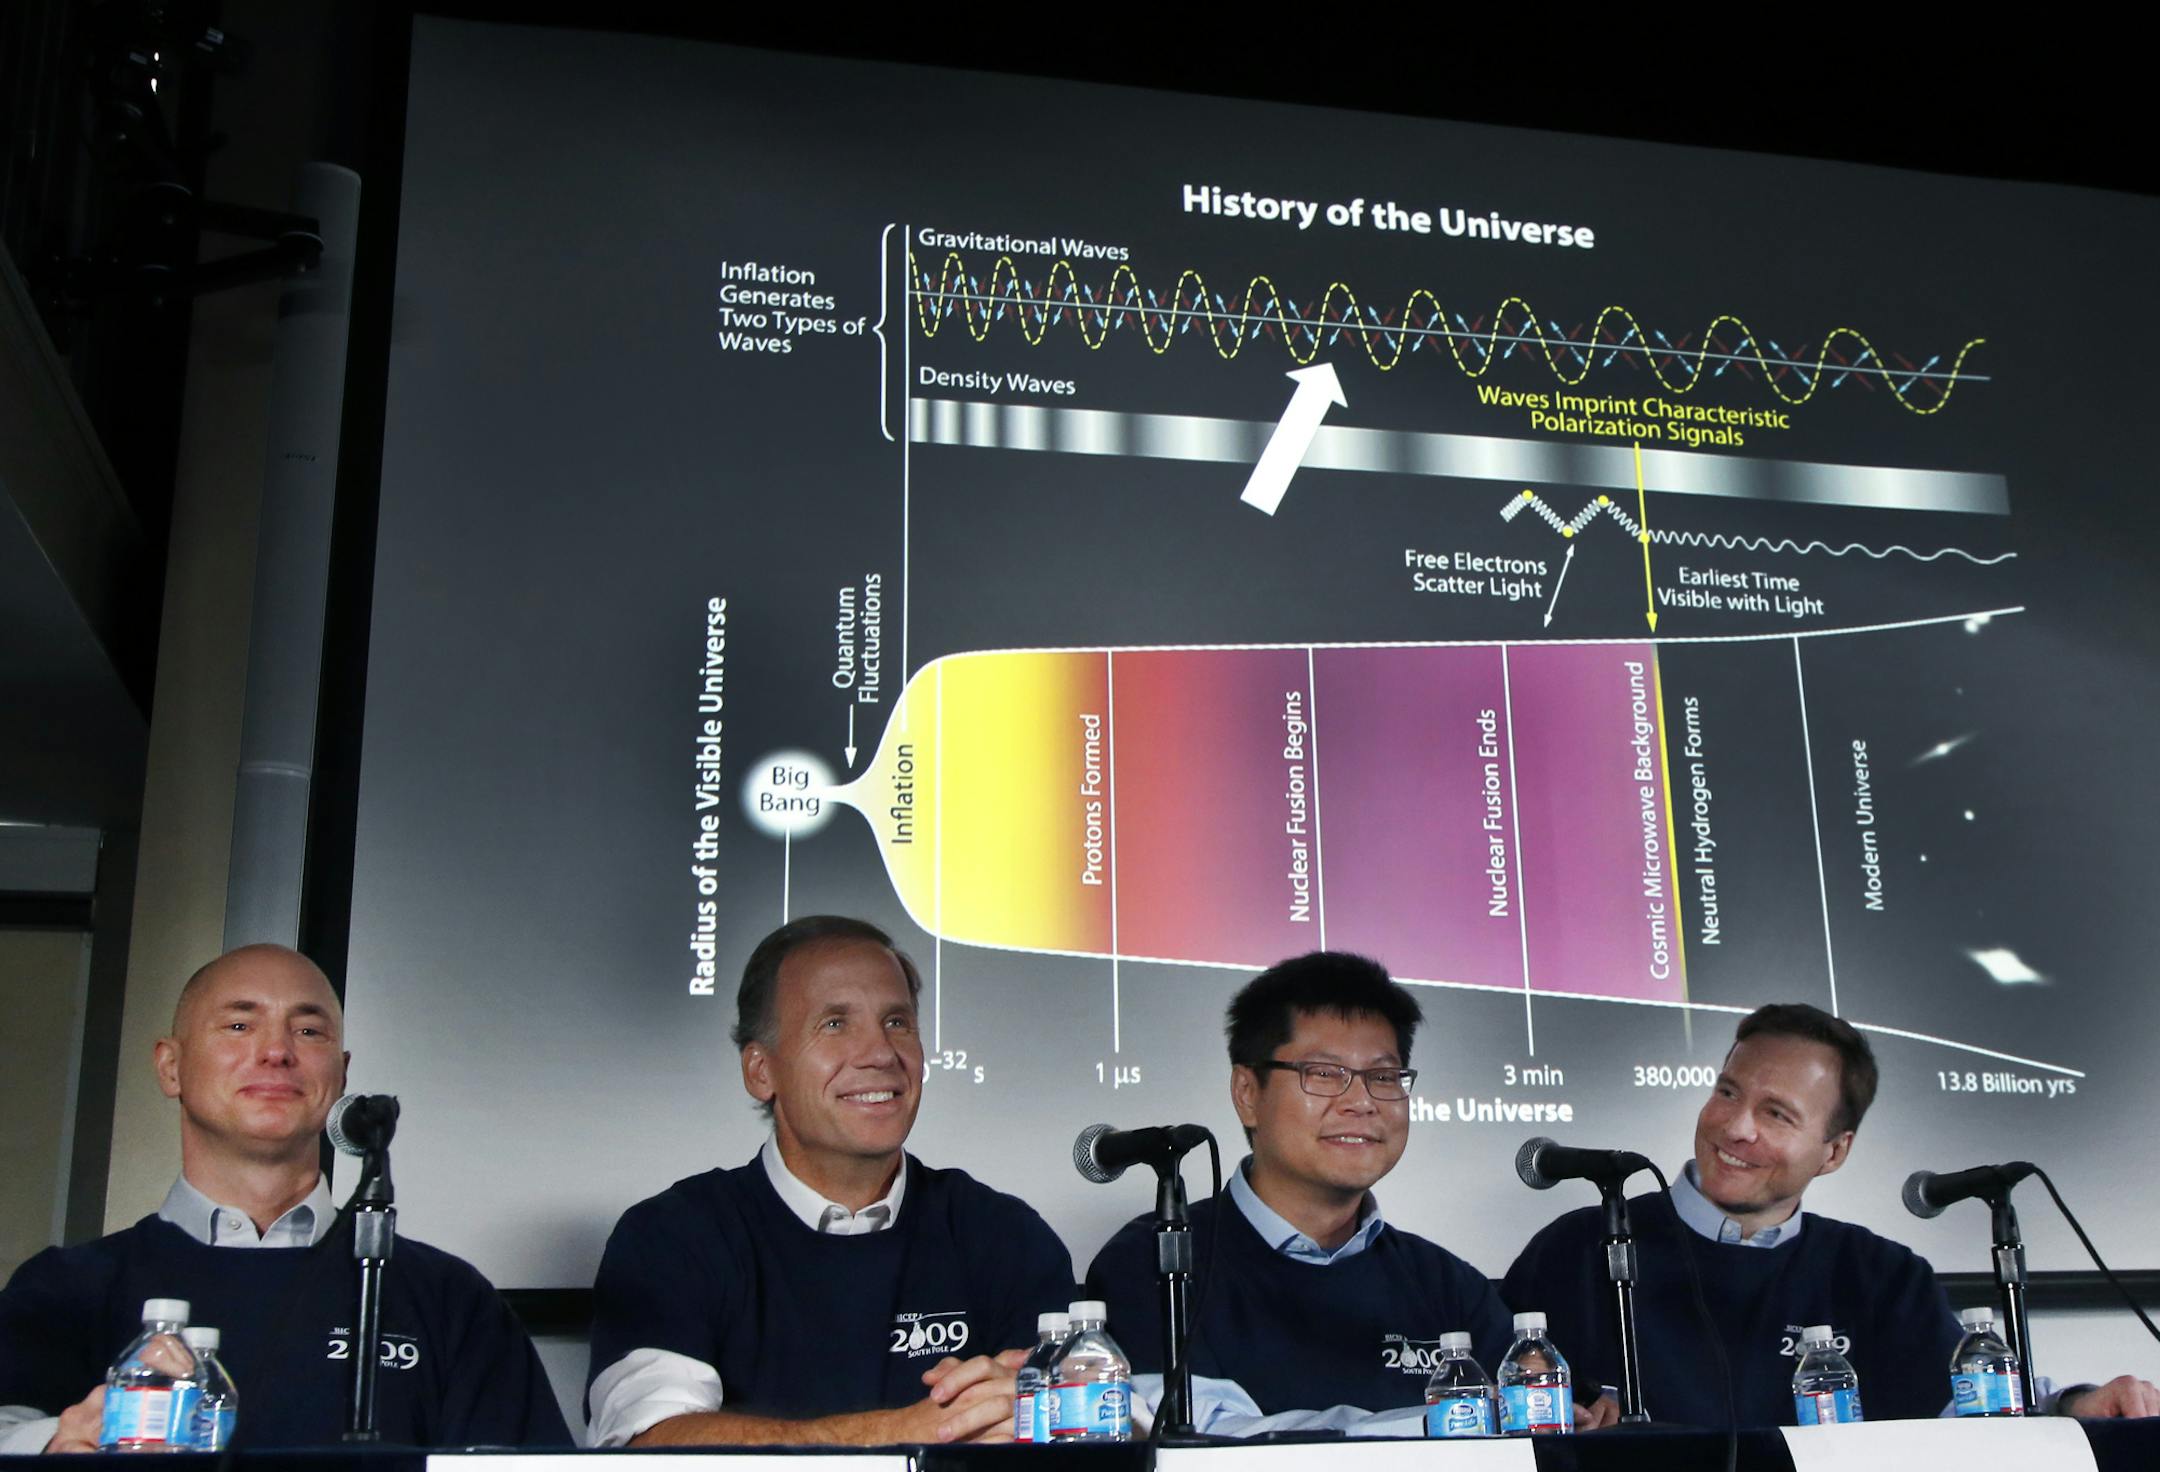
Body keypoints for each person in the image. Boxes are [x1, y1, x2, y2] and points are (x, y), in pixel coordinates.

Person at [0, 944, 569, 1453]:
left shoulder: (448, 1299)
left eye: (308, 1031)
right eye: (240, 1026)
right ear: (170, 1067)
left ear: (341, 1074)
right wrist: (53, 1446)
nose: (276, 1052)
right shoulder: (64, 1288)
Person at [1503, 1003, 2160, 1428]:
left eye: (1776, 1114)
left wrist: (2078, 1406)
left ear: (1834, 1152)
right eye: (1727, 1093)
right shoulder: (1579, 1246)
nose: (1735, 1127)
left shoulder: (1880, 1274)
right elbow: (1487, 1398)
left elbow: (1969, 1405)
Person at [584, 915, 1075, 1446]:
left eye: (897, 1022)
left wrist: (1036, 1414)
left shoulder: (1004, 1234)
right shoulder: (672, 1237)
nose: (882, 1054)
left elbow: (1086, 1428)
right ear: (760, 1071)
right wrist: (904, 1434)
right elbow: (651, 1442)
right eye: (835, 1024)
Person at [1083, 951, 1518, 1436]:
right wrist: (1440, 1424)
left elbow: (1533, 1424)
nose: (1361, 1102)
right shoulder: (1155, 1260)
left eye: (1383, 1077)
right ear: (1248, 1093)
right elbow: (1204, 1439)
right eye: (1325, 1074)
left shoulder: (1448, 1286)